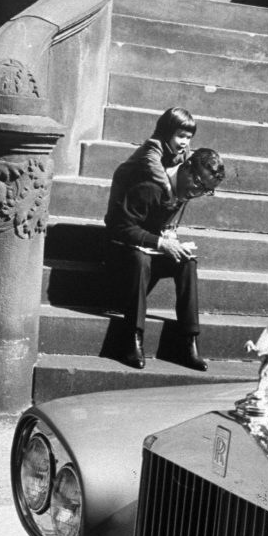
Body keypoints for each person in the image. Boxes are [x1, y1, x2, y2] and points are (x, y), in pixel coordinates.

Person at [104, 146, 225, 371]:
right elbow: (120, 227)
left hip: (146, 251)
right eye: (198, 183)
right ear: (186, 168)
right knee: (140, 259)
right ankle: (132, 339)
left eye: (206, 190)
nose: (197, 192)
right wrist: (161, 243)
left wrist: (170, 240)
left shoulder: (183, 189)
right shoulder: (151, 186)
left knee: (187, 262)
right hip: (119, 257)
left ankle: (189, 341)